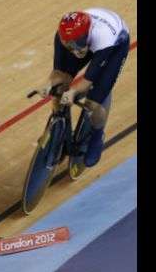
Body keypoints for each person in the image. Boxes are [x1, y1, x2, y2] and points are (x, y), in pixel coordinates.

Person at [37, 9, 130, 166]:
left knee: (92, 104)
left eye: (76, 44)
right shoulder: (63, 38)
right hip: (88, 42)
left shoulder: (103, 38)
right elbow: (58, 73)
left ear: (87, 34)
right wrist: (47, 85)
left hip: (113, 48)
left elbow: (87, 82)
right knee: (60, 86)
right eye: (70, 45)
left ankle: (97, 136)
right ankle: (56, 128)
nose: (74, 49)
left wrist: (73, 92)